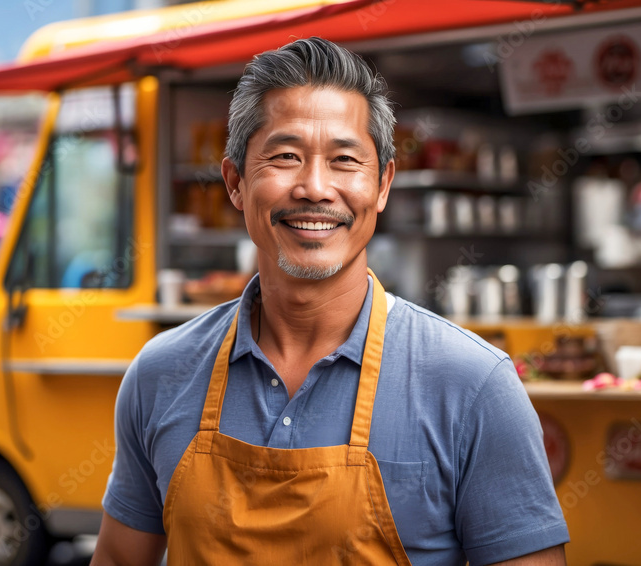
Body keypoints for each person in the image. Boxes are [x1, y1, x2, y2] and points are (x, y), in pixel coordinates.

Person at [92, 38, 568, 566]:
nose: (315, 188)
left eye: (344, 160)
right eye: (285, 157)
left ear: (383, 184)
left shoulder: (472, 386)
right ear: (234, 182)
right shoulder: (161, 374)